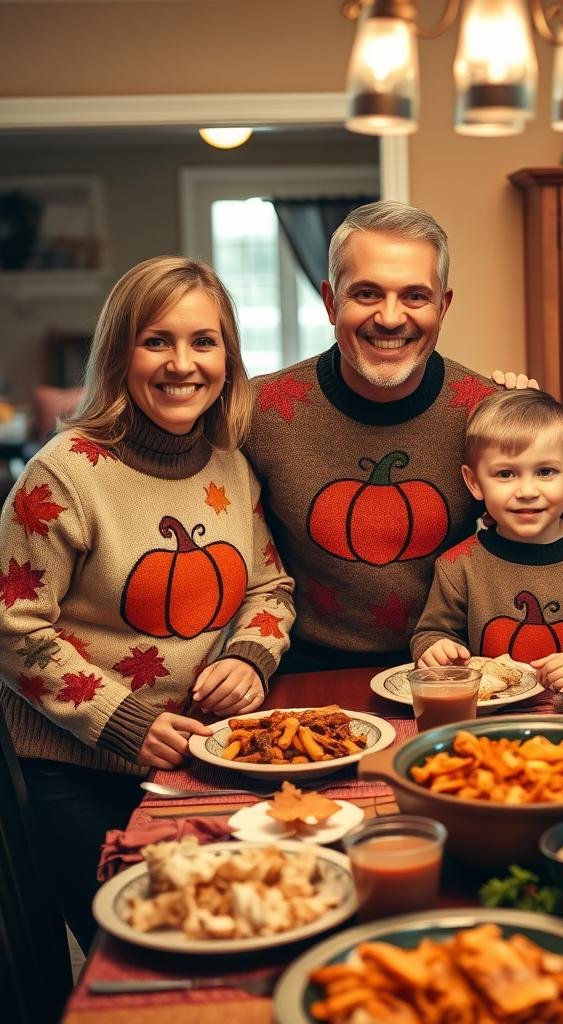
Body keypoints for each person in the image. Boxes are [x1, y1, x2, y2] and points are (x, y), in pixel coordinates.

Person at [0, 256, 295, 948]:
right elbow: (12, 629)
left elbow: (269, 586)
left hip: (196, 756)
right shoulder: (65, 473)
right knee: (142, 947)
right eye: (156, 340)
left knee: (226, 929)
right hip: (70, 768)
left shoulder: (230, 463)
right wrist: (122, 722)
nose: (181, 363)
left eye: (203, 341)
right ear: (120, 354)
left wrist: (252, 658)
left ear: (228, 357)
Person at [244, 201, 497, 672]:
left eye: (415, 297)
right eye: (366, 293)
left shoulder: (489, 413)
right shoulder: (258, 412)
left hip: (452, 665)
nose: (389, 317)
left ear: (443, 307)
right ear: (330, 301)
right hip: (299, 670)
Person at [411, 389, 563, 696]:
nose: (527, 490)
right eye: (506, 473)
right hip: (490, 720)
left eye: (545, 472)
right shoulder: (457, 566)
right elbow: (432, 631)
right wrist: (435, 648)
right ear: (475, 482)